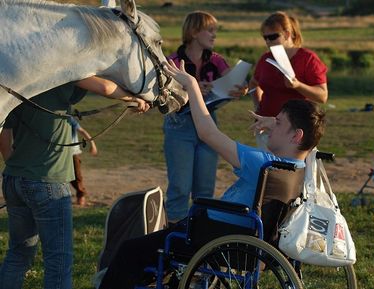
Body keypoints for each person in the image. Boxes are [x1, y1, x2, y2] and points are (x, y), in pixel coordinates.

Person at [97, 59, 326, 289]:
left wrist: (191, 85)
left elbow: (208, 133)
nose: (272, 127)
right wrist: (274, 122)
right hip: (252, 241)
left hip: (215, 233)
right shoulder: (302, 167)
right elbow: (305, 141)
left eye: (278, 123)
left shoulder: (263, 164)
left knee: (130, 251)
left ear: (296, 136)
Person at [0, 77, 149, 289]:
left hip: (14, 179)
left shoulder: (23, 82)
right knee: (58, 261)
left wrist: (19, 167)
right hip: (49, 182)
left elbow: (4, 137)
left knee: (18, 254)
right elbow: (105, 86)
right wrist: (134, 97)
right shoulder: (61, 76)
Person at [163, 11, 247, 224]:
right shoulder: (172, 61)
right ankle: (174, 232)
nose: (214, 35)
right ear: (193, 32)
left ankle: (200, 234)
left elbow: (232, 83)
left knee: (205, 188)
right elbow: (161, 92)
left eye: (215, 31)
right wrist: (190, 88)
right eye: (209, 30)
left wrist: (241, 89)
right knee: (180, 186)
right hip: (179, 124)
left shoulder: (217, 61)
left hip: (209, 124)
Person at [248, 11, 328, 149]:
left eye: (272, 37)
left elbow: (322, 96)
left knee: (296, 169)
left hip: (297, 128)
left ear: (287, 34)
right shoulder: (266, 58)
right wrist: (258, 105)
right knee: (269, 169)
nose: (268, 42)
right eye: (265, 38)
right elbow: (254, 84)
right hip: (268, 127)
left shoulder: (308, 58)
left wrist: (297, 85)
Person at [68, 117, 98, 206]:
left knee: (77, 176)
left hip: (73, 152)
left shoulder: (69, 119)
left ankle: (81, 195)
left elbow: (82, 131)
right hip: (60, 153)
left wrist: (92, 144)